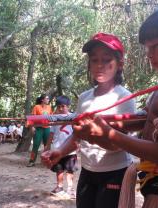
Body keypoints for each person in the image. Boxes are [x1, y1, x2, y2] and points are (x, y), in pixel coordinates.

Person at [69, 6, 158, 207]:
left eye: (153, 47)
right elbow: (144, 119)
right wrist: (103, 122)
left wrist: (108, 134)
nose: (148, 55)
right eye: (146, 48)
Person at [41, 32, 136, 208]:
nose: (100, 65)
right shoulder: (84, 98)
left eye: (107, 60)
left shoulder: (125, 98)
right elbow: (77, 136)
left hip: (116, 172)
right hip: (88, 171)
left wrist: (94, 134)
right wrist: (59, 152)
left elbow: (120, 143)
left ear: (120, 64)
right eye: (94, 60)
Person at [44, 96, 77, 198]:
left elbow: (77, 132)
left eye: (63, 106)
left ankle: (70, 189)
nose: (61, 109)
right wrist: (47, 146)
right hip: (57, 148)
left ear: (68, 106)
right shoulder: (54, 118)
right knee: (59, 169)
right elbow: (51, 133)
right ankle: (59, 186)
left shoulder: (74, 117)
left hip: (70, 149)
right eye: (59, 107)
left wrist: (78, 145)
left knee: (70, 169)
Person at [27, 94, 52, 167]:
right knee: (36, 145)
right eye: (47, 98)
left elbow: (51, 117)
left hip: (47, 128)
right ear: (42, 100)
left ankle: (47, 161)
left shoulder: (49, 107)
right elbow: (32, 117)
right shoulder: (36, 107)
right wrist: (32, 127)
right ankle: (32, 161)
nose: (48, 100)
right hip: (38, 128)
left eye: (48, 99)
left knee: (47, 146)